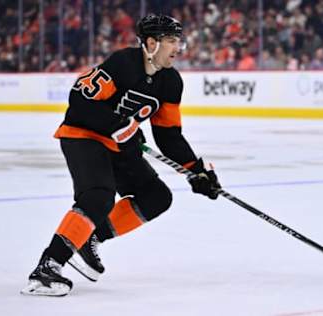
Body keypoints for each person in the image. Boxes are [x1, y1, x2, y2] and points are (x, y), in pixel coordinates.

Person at [21, 13, 221, 297]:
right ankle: (47, 268)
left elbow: (168, 135)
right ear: (151, 43)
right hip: (84, 136)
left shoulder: (171, 82)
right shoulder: (123, 64)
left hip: (120, 144)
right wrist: (116, 124)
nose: (178, 48)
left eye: (179, 41)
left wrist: (195, 170)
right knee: (99, 197)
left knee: (157, 197)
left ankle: (90, 237)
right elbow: (80, 100)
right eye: (171, 41)